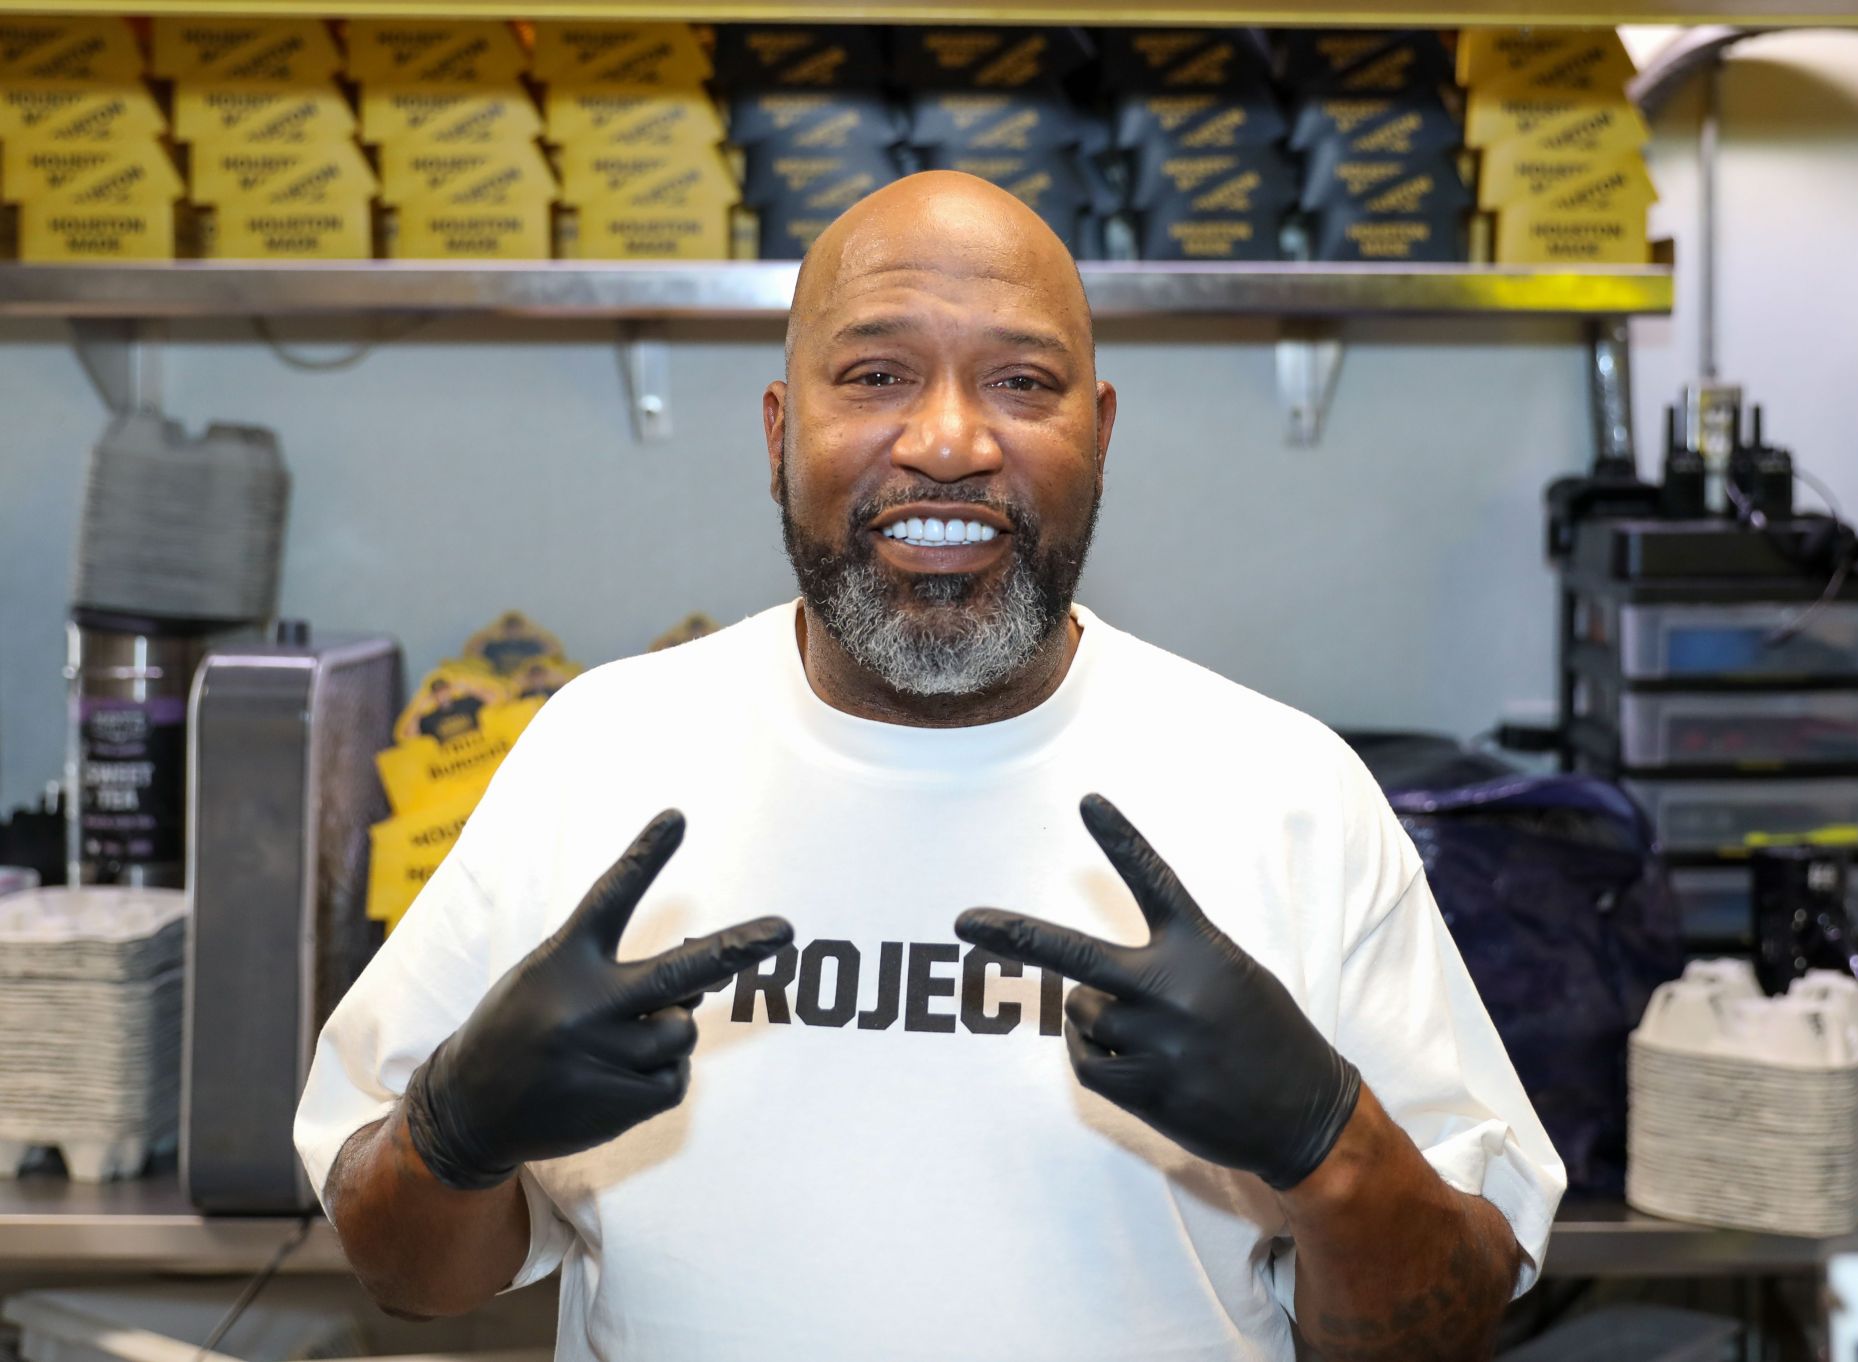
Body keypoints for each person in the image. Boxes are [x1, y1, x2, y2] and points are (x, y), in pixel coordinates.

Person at [295, 170, 1565, 1362]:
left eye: (1021, 382)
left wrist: (1325, 1146)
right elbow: (412, 1276)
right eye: (877, 375)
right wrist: (458, 1134)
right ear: (782, 428)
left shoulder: (1287, 793)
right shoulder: (602, 752)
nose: (950, 441)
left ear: (1100, 430)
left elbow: (1446, 1332)